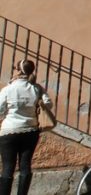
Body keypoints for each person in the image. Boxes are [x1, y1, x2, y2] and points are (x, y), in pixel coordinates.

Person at [0, 60, 53, 195]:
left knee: (7, 167)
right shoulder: (36, 88)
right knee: (25, 165)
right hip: (31, 131)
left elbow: (0, 109)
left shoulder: (8, 89)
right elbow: (48, 104)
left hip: (9, 131)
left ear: (18, 71)